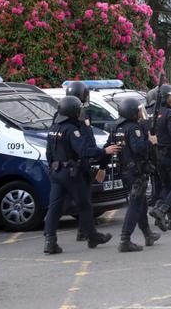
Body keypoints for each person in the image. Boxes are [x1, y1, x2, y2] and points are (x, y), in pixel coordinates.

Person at [43, 96, 115, 254]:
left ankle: (50, 241)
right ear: (72, 112)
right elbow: (83, 151)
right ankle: (92, 236)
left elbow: (49, 153)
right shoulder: (71, 129)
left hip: (56, 172)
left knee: (54, 207)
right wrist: (104, 151)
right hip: (71, 173)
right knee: (85, 205)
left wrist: (53, 169)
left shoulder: (54, 127)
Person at [65, 81, 116, 242]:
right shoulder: (76, 115)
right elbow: (82, 139)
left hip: (81, 159)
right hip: (79, 161)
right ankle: (89, 234)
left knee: (84, 199)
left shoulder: (74, 113)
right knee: (84, 200)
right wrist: (96, 152)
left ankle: (83, 231)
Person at [108, 98, 161, 252]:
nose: (140, 113)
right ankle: (125, 239)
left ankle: (147, 234)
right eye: (138, 110)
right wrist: (151, 142)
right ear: (132, 112)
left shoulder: (116, 127)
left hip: (125, 170)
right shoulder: (133, 128)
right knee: (135, 204)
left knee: (141, 204)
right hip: (135, 171)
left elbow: (110, 146)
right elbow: (139, 149)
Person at [147, 84, 171, 232]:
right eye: (169, 97)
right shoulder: (169, 114)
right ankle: (161, 210)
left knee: (165, 187)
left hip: (155, 156)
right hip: (170, 155)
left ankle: (164, 214)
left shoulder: (149, 112)